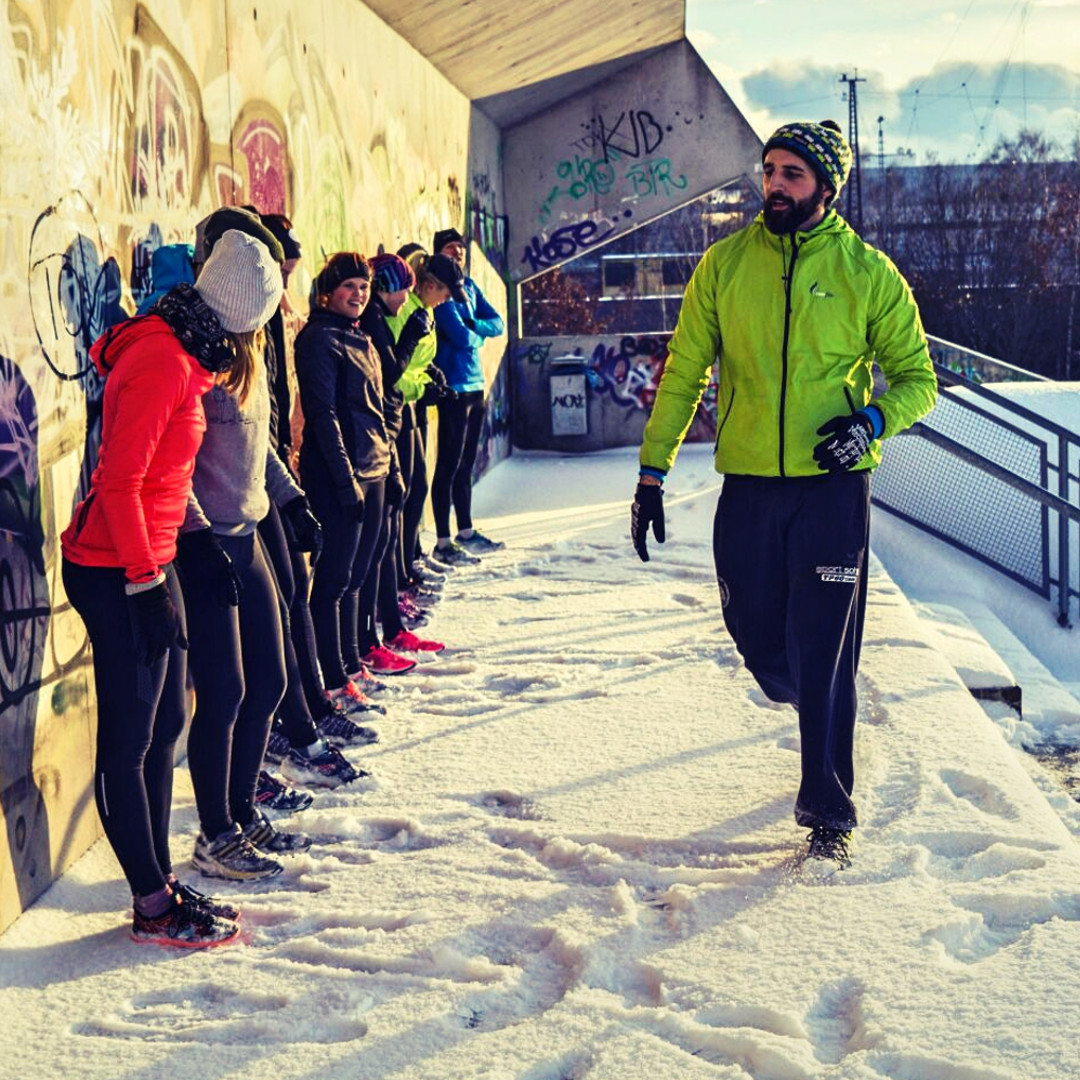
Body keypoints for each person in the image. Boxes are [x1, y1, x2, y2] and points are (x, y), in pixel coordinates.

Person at [631, 120, 937, 869]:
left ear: (825, 187)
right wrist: (651, 471)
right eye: (769, 171)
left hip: (833, 490)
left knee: (825, 650)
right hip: (750, 487)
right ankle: (810, 700)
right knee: (757, 633)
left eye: (792, 174)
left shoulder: (868, 273)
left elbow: (919, 381)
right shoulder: (724, 265)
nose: (774, 185)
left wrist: (868, 422)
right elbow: (685, 371)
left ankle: (828, 808)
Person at [59, 233, 275, 945]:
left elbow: (163, 478)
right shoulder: (160, 359)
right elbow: (119, 483)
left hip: (151, 557)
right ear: (237, 318)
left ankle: (158, 886)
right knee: (129, 738)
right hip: (114, 567)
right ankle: (152, 905)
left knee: (164, 730)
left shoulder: (186, 355)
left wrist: (196, 542)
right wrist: (146, 584)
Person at [175, 228, 316, 881]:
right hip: (205, 543)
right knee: (224, 692)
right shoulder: (196, 364)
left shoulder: (251, 356)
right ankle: (215, 833)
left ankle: (242, 810)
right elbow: (173, 468)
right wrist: (201, 539)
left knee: (270, 680)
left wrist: (290, 499)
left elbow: (255, 450)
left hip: (249, 530)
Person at [294, 253, 402, 701]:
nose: (358, 295)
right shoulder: (318, 339)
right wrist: (343, 479)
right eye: (349, 287)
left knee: (358, 576)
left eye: (363, 287)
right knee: (334, 579)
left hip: (375, 467)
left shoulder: (360, 337)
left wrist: (392, 468)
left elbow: (376, 409)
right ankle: (334, 681)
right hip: (344, 475)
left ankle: (352, 664)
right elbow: (324, 415)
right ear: (327, 292)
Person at [359, 252, 447, 659]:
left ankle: (387, 626)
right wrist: (412, 336)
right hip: (375, 436)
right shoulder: (377, 318)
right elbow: (392, 374)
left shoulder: (379, 316)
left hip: (386, 428)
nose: (405, 299)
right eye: (402, 291)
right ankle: (370, 639)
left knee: (390, 528)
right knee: (372, 544)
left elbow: (396, 374)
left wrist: (426, 380)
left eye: (363, 289)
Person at [389, 247, 466, 598]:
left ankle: (410, 563)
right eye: (445, 292)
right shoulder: (407, 311)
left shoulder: (424, 311)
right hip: (397, 407)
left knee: (416, 486)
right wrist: (422, 385)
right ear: (430, 283)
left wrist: (432, 377)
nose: (446, 300)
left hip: (413, 404)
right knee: (408, 491)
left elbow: (417, 361)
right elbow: (391, 370)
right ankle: (402, 573)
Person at [429, 227, 506, 564]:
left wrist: (475, 326)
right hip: (454, 387)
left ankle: (466, 531)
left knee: (466, 464)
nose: (457, 253)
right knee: (447, 463)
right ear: (437, 254)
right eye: (450, 248)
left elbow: (498, 323)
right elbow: (460, 338)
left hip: (477, 386)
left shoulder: (469, 287)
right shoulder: (442, 295)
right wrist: (477, 331)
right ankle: (443, 542)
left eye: (460, 249)